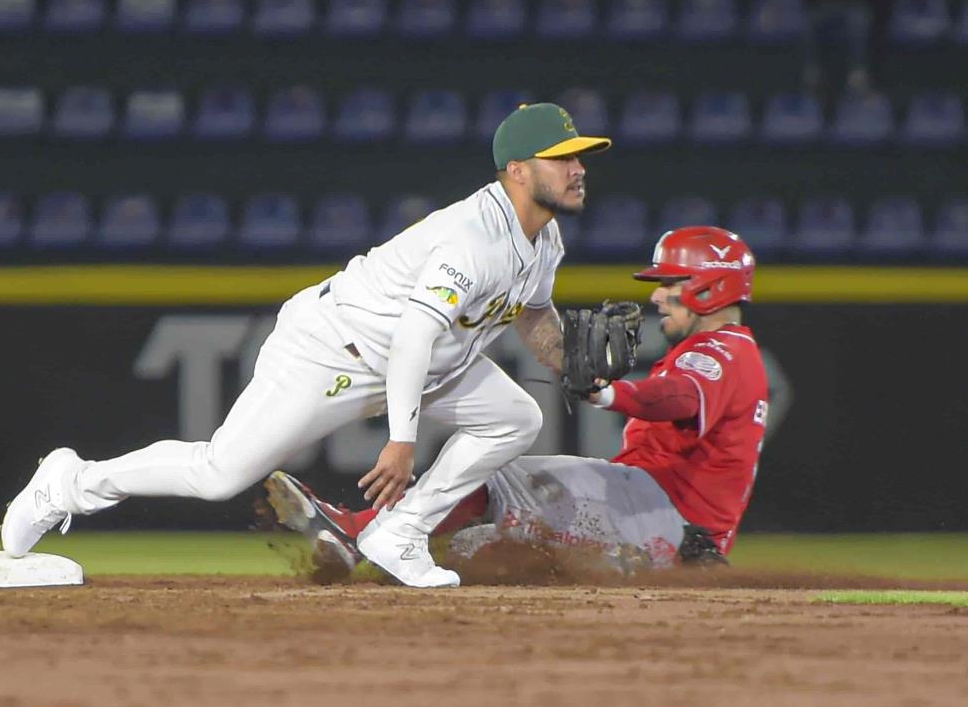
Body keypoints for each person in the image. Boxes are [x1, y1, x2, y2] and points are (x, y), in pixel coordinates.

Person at [0, 103, 612, 588]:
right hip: (334, 350)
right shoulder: (471, 239)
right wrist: (402, 441)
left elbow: (533, 316)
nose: (578, 167)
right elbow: (413, 335)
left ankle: (400, 532)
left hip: (429, 366)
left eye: (579, 156)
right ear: (518, 171)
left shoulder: (545, 237)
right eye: (562, 158)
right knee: (220, 473)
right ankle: (71, 482)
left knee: (513, 418)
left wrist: (573, 366)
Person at [266, 226, 769, 577]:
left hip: (657, 509)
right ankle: (414, 553)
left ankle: (355, 537)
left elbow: (675, 398)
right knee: (480, 547)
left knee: (490, 470)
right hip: (664, 528)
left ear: (710, 286)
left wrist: (612, 391)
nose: (658, 296)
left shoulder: (720, 351)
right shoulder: (729, 353)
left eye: (670, 282)